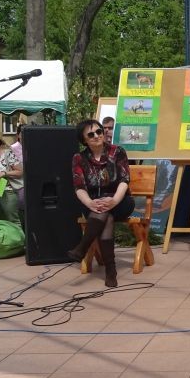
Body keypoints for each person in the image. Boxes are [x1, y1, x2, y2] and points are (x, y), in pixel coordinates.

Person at [68, 119, 134, 288]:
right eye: (91, 134)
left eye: (99, 131)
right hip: (93, 204)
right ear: (84, 140)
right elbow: (79, 187)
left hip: (121, 200)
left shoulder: (117, 151)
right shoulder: (79, 158)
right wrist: (90, 203)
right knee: (105, 215)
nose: (97, 136)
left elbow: (124, 180)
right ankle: (111, 271)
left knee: (104, 211)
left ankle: (82, 247)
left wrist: (114, 200)